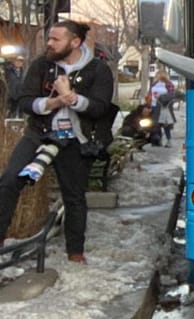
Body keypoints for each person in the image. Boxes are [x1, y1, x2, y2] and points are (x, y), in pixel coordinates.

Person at [0, 21, 115, 264]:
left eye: (56, 39)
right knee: (10, 179)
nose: (49, 44)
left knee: (73, 196)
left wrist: (72, 98)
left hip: (75, 139)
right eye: (49, 38)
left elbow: (99, 107)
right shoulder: (42, 65)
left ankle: (75, 252)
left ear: (75, 42)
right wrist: (54, 102)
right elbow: (25, 100)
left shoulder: (97, 70)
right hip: (39, 132)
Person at [148, 71, 177, 147]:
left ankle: (165, 140)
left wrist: (160, 98)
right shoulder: (165, 84)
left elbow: (171, 95)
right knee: (159, 124)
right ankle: (161, 140)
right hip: (157, 106)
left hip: (162, 107)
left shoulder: (165, 84)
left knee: (162, 124)